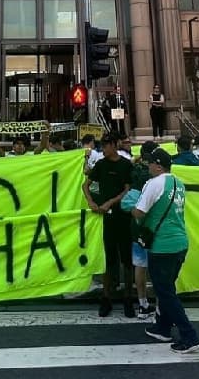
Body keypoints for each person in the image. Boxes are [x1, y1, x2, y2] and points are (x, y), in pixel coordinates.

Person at [133, 148, 199, 354]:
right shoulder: (178, 183)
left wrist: (130, 205)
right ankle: (163, 327)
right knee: (166, 289)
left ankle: (189, 335)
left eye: (150, 164)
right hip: (180, 243)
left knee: (166, 293)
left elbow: (139, 211)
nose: (148, 167)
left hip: (162, 246)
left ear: (158, 165)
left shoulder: (154, 183)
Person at [83, 135, 134, 318]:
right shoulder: (101, 165)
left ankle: (129, 298)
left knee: (127, 261)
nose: (103, 150)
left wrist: (110, 202)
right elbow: (85, 185)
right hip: (106, 218)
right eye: (102, 147)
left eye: (105, 146)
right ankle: (106, 298)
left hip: (124, 216)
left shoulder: (126, 165)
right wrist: (91, 203)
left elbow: (128, 189)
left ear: (114, 145)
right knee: (108, 259)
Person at [121, 140, 159, 319]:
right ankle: (160, 306)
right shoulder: (156, 175)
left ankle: (143, 303)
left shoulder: (133, 169)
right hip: (155, 226)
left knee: (140, 265)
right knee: (158, 266)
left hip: (137, 225)